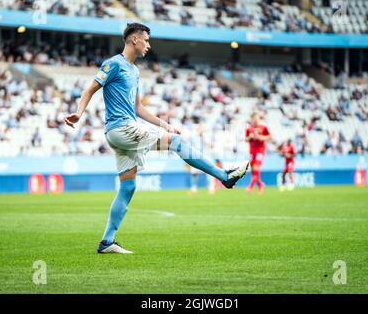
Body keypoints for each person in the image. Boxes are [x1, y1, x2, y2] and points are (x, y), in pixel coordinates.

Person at [64, 23, 249, 254]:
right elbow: (89, 90)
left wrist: (164, 125)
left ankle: (107, 242)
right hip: (122, 129)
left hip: (123, 132)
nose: (149, 46)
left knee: (128, 186)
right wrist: (79, 114)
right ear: (134, 40)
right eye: (146, 41)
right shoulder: (113, 64)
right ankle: (224, 177)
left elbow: (138, 107)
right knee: (177, 143)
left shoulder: (134, 71)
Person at [245, 112, 270, 194]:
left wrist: (261, 137)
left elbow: (269, 136)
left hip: (260, 150)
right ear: (252, 119)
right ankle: (260, 184)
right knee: (253, 170)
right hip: (252, 151)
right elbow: (246, 139)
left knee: (256, 167)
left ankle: (250, 187)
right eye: (254, 119)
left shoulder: (263, 127)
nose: (256, 120)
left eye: (257, 118)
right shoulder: (249, 129)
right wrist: (250, 137)